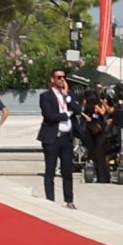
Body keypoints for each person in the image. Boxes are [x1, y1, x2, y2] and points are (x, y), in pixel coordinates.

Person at [38, 69, 78, 207]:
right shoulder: (46, 96)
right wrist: (66, 114)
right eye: (59, 77)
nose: (62, 79)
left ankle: (69, 200)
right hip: (52, 137)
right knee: (50, 170)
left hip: (66, 138)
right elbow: (49, 116)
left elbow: (78, 110)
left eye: (63, 77)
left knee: (67, 170)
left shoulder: (68, 95)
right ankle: (50, 200)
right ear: (52, 79)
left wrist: (67, 96)